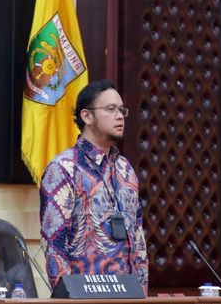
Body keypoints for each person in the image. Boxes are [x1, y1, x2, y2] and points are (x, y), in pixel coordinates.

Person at [40, 79, 148, 292]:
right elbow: (54, 246)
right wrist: (70, 302)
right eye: (110, 109)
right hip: (84, 299)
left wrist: (142, 292)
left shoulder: (125, 169)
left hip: (129, 296)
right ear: (87, 116)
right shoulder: (63, 168)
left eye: (121, 110)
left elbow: (138, 238)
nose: (119, 116)